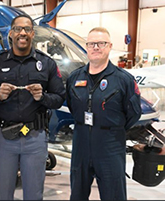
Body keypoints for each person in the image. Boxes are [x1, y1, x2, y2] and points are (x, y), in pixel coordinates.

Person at [0, 14, 66, 200]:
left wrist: (42, 97)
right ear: (11, 33)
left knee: (34, 194)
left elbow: (59, 99)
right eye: (18, 29)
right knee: (1, 193)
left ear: (33, 34)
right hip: (3, 139)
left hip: (35, 138)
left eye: (27, 29)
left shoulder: (46, 63)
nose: (22, 33)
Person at [65, 27, 142, 200]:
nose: (96, 47)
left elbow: (133, 113)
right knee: (77, 194)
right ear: (86, 47)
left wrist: (110, 125)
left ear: (109, 46)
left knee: (113, 195)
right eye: (92, 43)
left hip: (110, 145)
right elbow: (72, 106)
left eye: (101, 43)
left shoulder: (124, 80)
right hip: (81, 144)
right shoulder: (74, 78)